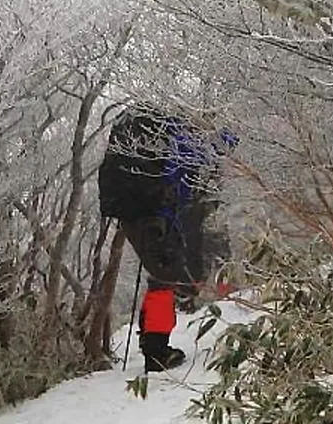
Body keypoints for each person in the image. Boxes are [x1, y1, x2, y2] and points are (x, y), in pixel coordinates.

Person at [97, 104, 235, 373]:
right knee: (165, 280)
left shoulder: (156, 133)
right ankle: (156, 353)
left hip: (138, 216)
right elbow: (197, 160)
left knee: (163, 278)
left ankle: (154, 346)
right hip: (155, 217)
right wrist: (226, 139)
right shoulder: (176, 134)